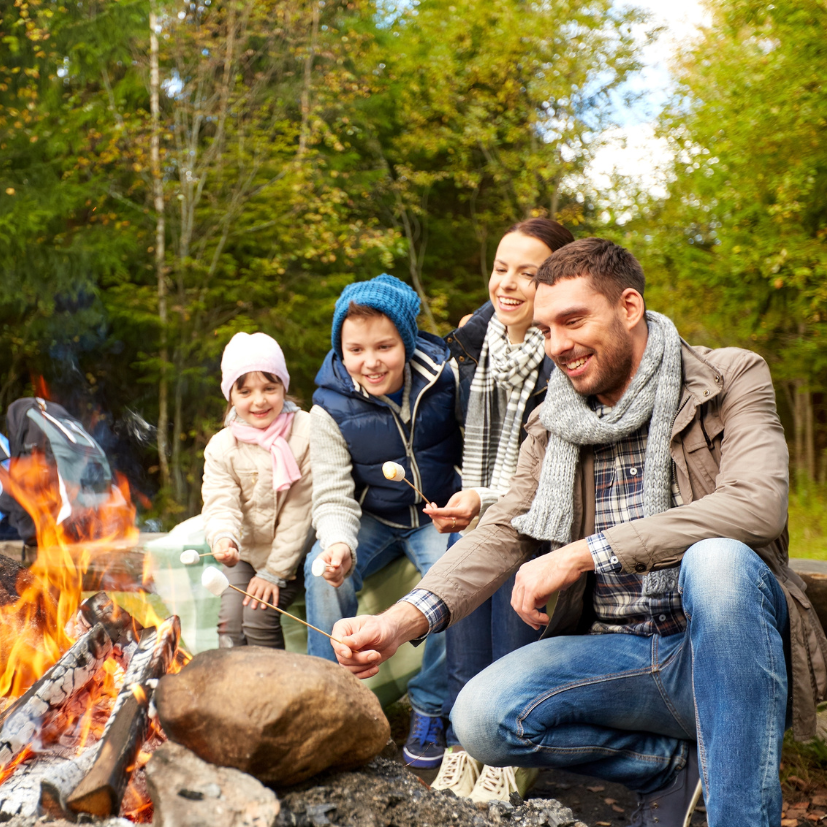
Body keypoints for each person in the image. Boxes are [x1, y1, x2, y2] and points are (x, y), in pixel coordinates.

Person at [328, 239, 827, 827]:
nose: (558, 345)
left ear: (630, 307)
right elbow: (507, 529)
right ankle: (666, 769)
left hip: (722, 650)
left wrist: (586, 553)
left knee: (717, 561)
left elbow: (756, 506)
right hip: (617, 655)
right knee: (481, 716)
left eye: (574, 320)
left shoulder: (730, 375)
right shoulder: (553, 417)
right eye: (545, 330)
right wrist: (397, 622)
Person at [425, 218, 574, 800]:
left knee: (510, 605)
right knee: (462, 612)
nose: (508, 285)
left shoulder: (563, 357)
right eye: (500, 268)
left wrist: (482, 499)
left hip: (541, 515)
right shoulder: (472, 345)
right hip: (476, 504)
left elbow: (547, 473)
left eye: (528, 274)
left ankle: (509, 749)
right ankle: (464, 745)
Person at [304, 273, 462, 769]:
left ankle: (432, 707)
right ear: (341, 350)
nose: (370, 361)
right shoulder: (328, 406)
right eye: (355, 349)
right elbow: (332, 493)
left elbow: (475, 451)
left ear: (406, 341)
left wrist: (464, 503)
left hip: (436, 515)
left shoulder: (448, 380)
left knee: (452, 580)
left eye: (384, 346)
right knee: (324, 574)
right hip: (371, 517)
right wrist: (337, 545)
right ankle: (333, 702)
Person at [202, 331, 312, 649]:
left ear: (283, 388)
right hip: (247, 554)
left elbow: (300, 512)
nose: (259, 400)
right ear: (231, 397)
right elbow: (221, 502)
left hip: (293, 556)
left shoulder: (305, 431)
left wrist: (274, 573)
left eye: (269, 388)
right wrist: (225, 538)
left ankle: (273, 693)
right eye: (246, 391)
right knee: (231, 625)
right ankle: (233, 691)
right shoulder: (223, 446)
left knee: (258, 614)